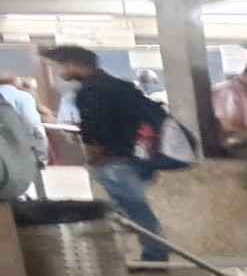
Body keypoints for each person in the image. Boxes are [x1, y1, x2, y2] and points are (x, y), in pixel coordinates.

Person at [41, 46, 170, 263]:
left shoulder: (91, 91)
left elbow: (95, 130)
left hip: (114, 162)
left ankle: (155, 256)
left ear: (75, 64)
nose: (58, 72)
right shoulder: (123, 87)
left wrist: (94, 152)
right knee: (126, 211)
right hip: (139, 158)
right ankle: (122, 256)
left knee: (136, 212)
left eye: (59, 66)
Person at [0, 75, 49, 164]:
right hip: (21, 140)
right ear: (15, 83)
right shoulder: (24, 96)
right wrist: (41, 155)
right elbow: (32, 121)